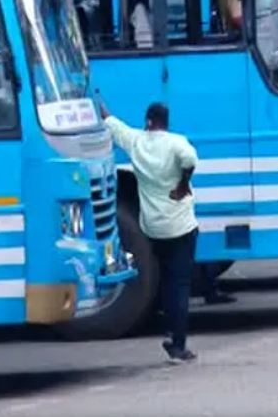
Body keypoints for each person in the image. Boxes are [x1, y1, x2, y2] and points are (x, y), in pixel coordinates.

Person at [100, 100, 199, 363]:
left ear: (148, 121)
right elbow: (189, 159)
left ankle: (169, 329)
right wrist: (183, 183)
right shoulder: (176, 142)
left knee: (165, 280)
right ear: (166, 122)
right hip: (181, 227)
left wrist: (98, 101)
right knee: (179, 284)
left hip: (153, 229)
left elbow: (112, 123)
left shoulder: (137, 142)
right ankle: (178, 345)